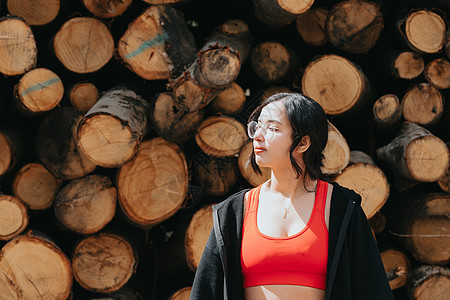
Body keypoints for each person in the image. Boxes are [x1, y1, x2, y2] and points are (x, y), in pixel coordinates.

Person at [189, 93, 394, 300]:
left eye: (273, 128)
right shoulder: (233, 212)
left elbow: (373, 290)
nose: (258, 136)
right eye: (257, 126)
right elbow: (205, 292)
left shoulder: (341, 208)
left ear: (303, 143)